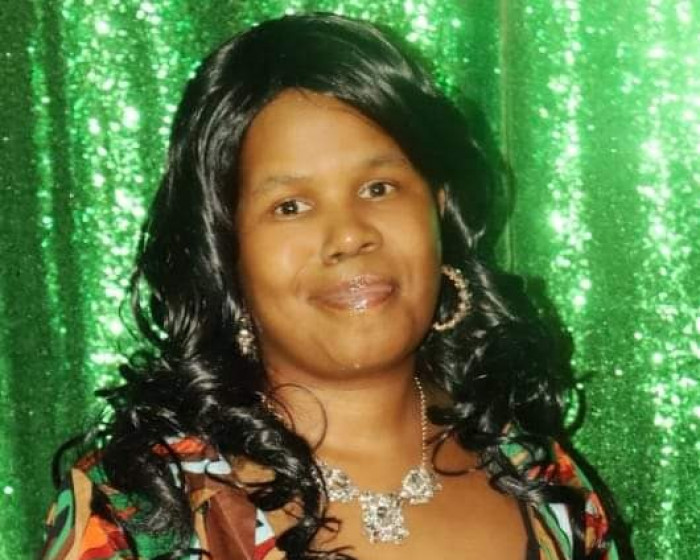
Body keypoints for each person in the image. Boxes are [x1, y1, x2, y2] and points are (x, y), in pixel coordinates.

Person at [40, 12, 621, 560]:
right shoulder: (136, 511)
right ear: (225, 249)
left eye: (378, 188)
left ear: (439, 210)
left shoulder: (542, 480)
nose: (348, 235)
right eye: (290, 206)